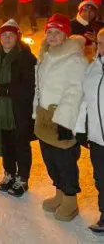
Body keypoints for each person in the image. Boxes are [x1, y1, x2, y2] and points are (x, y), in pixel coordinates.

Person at [34, 14, 87, 222]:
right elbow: (39, 87)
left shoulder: (75, 59)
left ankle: (70, 200)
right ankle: (59, 195)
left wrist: (64, 123)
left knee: (65, 161)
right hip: (44, 117)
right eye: (49, 32)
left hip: (62, 119)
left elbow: (75, 92)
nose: (52, 36)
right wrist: (35, 113)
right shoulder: (46, 54)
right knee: (50, 159)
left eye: (57, 32)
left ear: (66, 35)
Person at [0, 20, 37, 197]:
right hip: (1, 111)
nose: (7, 38)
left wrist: (4, 89)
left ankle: (22, 178)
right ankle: (9, 173)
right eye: (4, 35)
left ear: (17, 37)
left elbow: (30, 86)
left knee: (21, 144)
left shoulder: (26, 57)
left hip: (19, 110)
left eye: (11, 35)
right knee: (6, 143)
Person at [75, 28, 104, 233]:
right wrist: (80, 129)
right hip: (97, 137)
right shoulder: (92, 68)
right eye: (101, 42)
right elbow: (83, 102)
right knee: (101, 177)